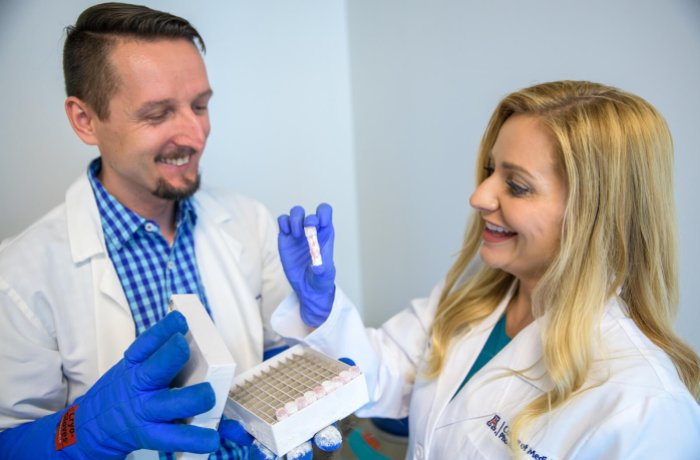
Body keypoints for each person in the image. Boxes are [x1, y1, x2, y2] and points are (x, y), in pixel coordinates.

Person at [273, 80, 700, 459]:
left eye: (516, 185)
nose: (479, 196)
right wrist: (323, 309)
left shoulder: (645, 407)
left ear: (596, 214)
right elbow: (380, 376)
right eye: (489, 171)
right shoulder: (471, 299)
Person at [0, 3, 339, 459]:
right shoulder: (18, 275)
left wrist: (315, 331)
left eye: (200, 105)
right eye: (158, 114)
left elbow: (281, 354)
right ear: (85, 120)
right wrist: (89, 430)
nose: (195, 135)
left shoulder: (248, 221)